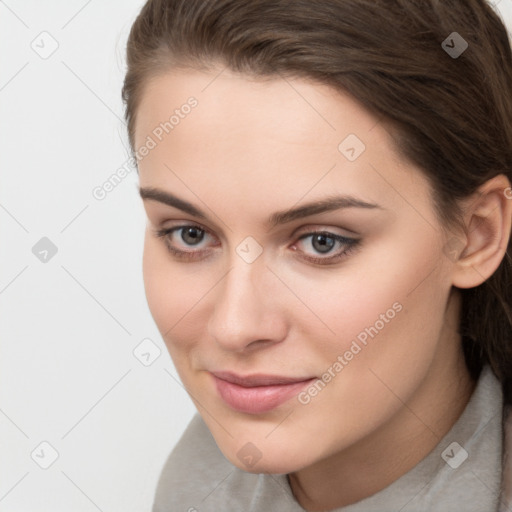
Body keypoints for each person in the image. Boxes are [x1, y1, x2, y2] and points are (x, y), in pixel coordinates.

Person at [122, 0, 512, 510]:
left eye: (321, 242)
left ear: (476, 236)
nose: (234, 327)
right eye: (190, 234)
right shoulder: (198, 483)